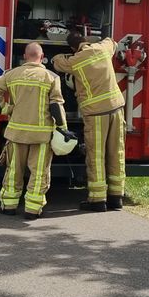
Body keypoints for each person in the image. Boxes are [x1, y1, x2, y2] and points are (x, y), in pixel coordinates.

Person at [0, 42, 66, 220]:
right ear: (42, 56)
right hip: (41, 135)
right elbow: (56, 106)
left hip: (16, 133)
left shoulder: (11, 74)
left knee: (14, 169)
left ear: (24, 56)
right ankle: (32, 209)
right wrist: (62, 128)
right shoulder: (51, 77)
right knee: (38, 173)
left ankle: (8, 205)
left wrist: (6, 109)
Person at [52, 31, 125, 212]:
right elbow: (112, 41)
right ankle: (117, 197)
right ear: (86, 41)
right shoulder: (102, 48)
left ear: (72, 48)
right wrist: (97, 41)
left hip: (95, 112)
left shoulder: (75, 60)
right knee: (117, 151)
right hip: (116, 108)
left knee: (96, 155)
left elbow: (56, 62)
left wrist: (64, 54)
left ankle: (98, 200)